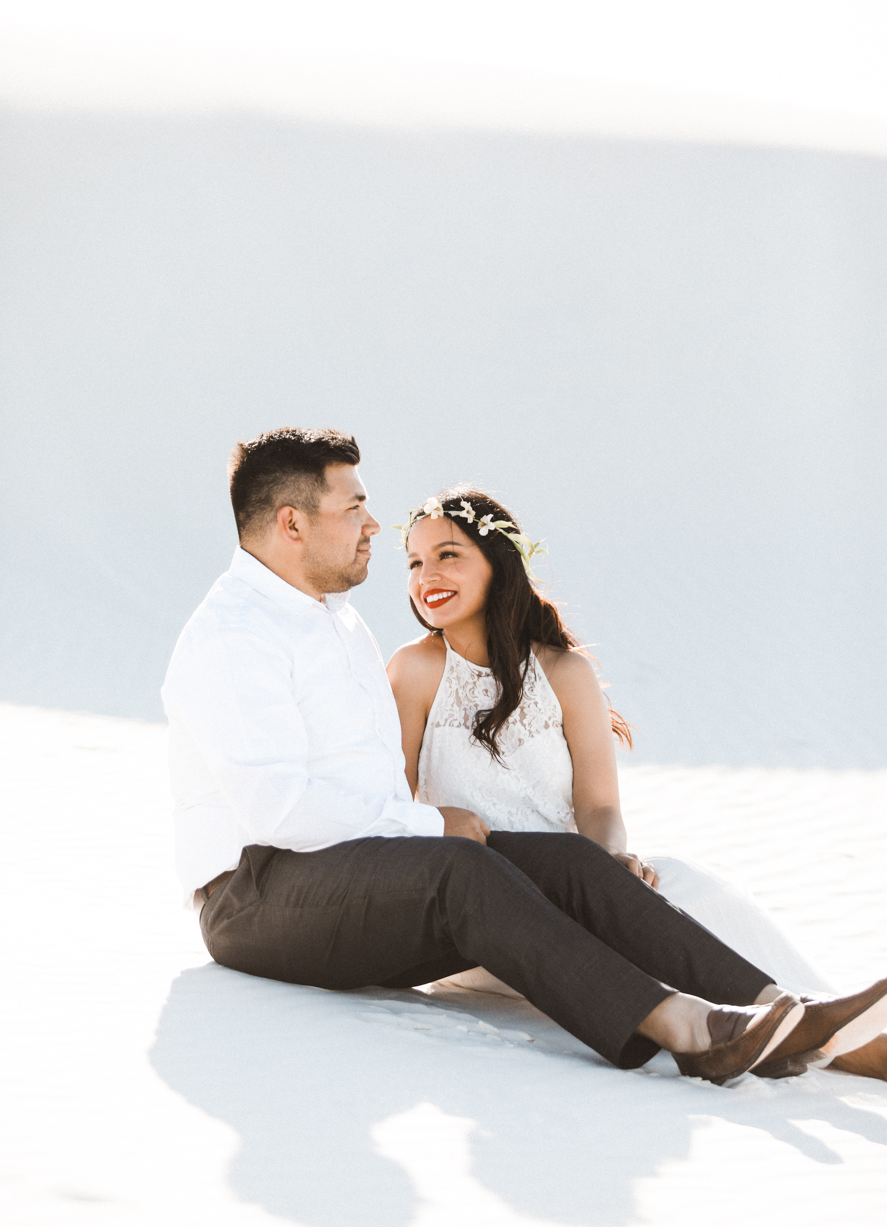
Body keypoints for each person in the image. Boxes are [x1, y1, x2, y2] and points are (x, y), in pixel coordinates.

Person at [161, 427, 887, 1088]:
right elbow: (277, 809)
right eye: (353, 507)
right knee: (461, 866)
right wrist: (428, 828)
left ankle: (784, 1017)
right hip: (254, 896)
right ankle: (691, 1030)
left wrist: (422, 835)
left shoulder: (335, 624)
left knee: (569, 861)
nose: (373, 525)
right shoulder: (236, 636)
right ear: (292, 522)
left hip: (355, 876)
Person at [387, 486, 887, 1081]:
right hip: (493, 911)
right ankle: (826, 1043)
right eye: (415, 562)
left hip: (583, 877)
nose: (426, 576)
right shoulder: (414, 671)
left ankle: (824, 1020)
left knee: (691, 888)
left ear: (499, 561)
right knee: (636, 933)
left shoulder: (565, 672)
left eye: (448, 555)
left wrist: (609, 868)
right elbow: (392, 805)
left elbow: (598, 806)